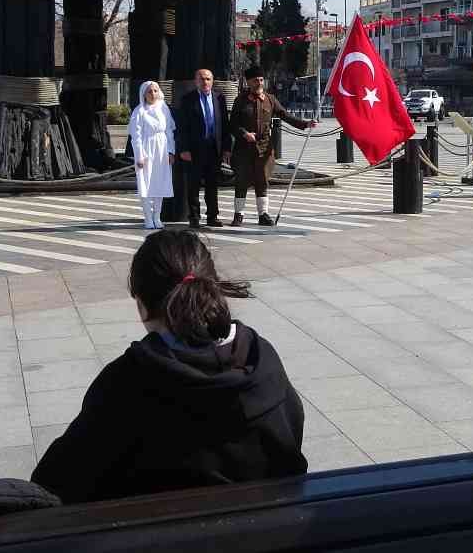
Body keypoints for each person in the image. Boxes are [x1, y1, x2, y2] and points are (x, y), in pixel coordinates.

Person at [26, 229, 306, 503]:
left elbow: (57, 481)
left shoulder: (129, 382)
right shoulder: (261, 358)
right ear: (213, 287)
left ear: (142, 305)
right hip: (274, 528)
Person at [227, 66, 316, 227]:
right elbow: (232, 124)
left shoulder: (270, 99)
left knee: (262, 181)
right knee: (241, 182)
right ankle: (238, 215)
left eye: (261, 80)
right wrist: (244, 133)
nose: (259, 83)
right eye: (255, 80)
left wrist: (305, 124)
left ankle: (263, 214)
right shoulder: (240, 100)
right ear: (248, 82)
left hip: (264, 148)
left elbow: (285, 116)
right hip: (243, 149)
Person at [175, 69, 228, 229]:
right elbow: (181, 126)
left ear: (212, 81)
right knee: (193, 185)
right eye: (202, 79)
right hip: (194, 150)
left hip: (214, 149)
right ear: (195, 81)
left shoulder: (219, 98)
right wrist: (183, 149)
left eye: (208, 79)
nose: (205, 82)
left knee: (212, 185)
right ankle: (194, 217)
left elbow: (224, 125)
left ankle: (212, 216)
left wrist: (226, 148)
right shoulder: (187, 99)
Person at [128, 81, 176, 229]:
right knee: (145, 184)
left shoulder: (164, 108)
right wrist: (139, 156)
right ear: (144, 94)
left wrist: (171, 151)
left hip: (162, 149)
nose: (153, 94)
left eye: (155, 91)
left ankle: (157, 217)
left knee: (160, 183)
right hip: (146, 149)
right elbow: (136, 136)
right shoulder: (139, 111)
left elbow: (169, 132)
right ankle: (148, 218)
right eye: (150, 92)